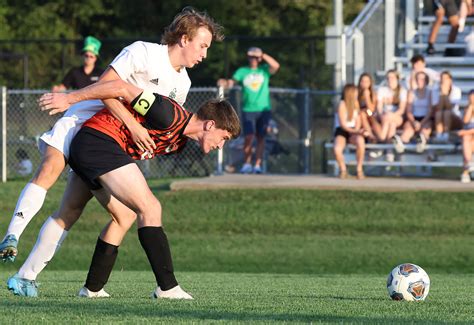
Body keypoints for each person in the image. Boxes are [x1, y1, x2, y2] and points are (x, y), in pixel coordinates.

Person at [0, 6, 223, 265]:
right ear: (184, 39)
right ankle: (11, 236)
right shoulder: (144, 52)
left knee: (75, 210)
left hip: (107, 141)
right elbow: (106, 85)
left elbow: (155, 120)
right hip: (83, 120)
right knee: (50, 168)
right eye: (203, 45)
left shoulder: (183, 85)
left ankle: (27, 277)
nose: (205, 54)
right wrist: (127, 123)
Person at [7, 79, 241, 298]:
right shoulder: (167, 113)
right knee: (150, 207)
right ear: (211, 124)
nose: (221, 145)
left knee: (117, 215)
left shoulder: (179, 142)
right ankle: (167, 287)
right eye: (224, 137)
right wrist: (71, 98)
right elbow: (119, 86)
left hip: (92, 147)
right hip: (98, 142)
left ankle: (89, 288)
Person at [217, 47, 280, 174]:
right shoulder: (243, 71)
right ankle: (247, 164)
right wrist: (225, 83)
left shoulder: (264, 70)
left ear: (260, 58)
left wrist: (262, 54)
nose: (254, 59)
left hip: (264, 109)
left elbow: (276, 65)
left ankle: (257, 165)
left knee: (261, 137)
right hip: (248, 109)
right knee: (249, 137)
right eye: (251, 56)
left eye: (256, 57)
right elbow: (232, 82)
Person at [393, 72, 434, 154]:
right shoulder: (411, 93)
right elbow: (409, 111)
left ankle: (422, 144)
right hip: (413, 118)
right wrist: (414, 122)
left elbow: (430, 111)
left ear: (426, 81)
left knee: (425, 130)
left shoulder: (430, 93)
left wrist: (421, 123)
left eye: (422, 79)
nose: (419, 81)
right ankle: (401, 145)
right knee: (408, 130)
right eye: (418, 79)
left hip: (426, 119)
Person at [333, 84, 365, 179]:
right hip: (342, 131)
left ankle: (359, 169)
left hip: (353, 130)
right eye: (355, 92)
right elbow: (343, 125)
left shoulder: (356, 103)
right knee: (337, 148)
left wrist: (357, 130)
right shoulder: (342, 104)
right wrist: (355, 131)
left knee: (360, 142)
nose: (357, 94)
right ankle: (343, 170)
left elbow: (358, 120)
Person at [376, 70, 407, 161]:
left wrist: (389, 115)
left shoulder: (402, 91)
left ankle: (381, 141)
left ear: (397, 79)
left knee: (390, 118)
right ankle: (389, 151)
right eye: (388, 77)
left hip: (398, 117)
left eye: (392, 77)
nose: (390, 80)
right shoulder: (382, 90)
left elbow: (401, 110)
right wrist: (383, 115)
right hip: (385, 118)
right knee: (391, 124)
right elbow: (379, 108)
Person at [432, 70, 463, 142]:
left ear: (450, 80)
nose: (443, 81)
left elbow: (449, 107)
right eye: (442, 78)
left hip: (454, 117)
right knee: (439, 113)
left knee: (446, 113)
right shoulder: (435, 90)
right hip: (439, 117)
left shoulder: (456, 90)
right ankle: (439, 135)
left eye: (446, 78)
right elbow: (438, 108)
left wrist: (444, 94)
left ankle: (446, 134)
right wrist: (442, 93)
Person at [458, 89, 474, 183]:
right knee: (467, 140)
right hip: (470, 138)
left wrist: (466, 132)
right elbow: (465, 121)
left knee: (466, 138)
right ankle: (469, 164)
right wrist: (471, 107)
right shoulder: (467, 109)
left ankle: (465, 171)